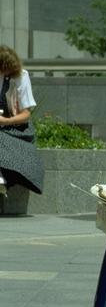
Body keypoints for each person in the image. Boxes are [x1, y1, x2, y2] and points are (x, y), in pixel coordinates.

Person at [0, 45, 44, 197]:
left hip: (15, 128)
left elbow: (26, 114)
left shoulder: (21, 76)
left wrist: (5, 121)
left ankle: (2, 179)